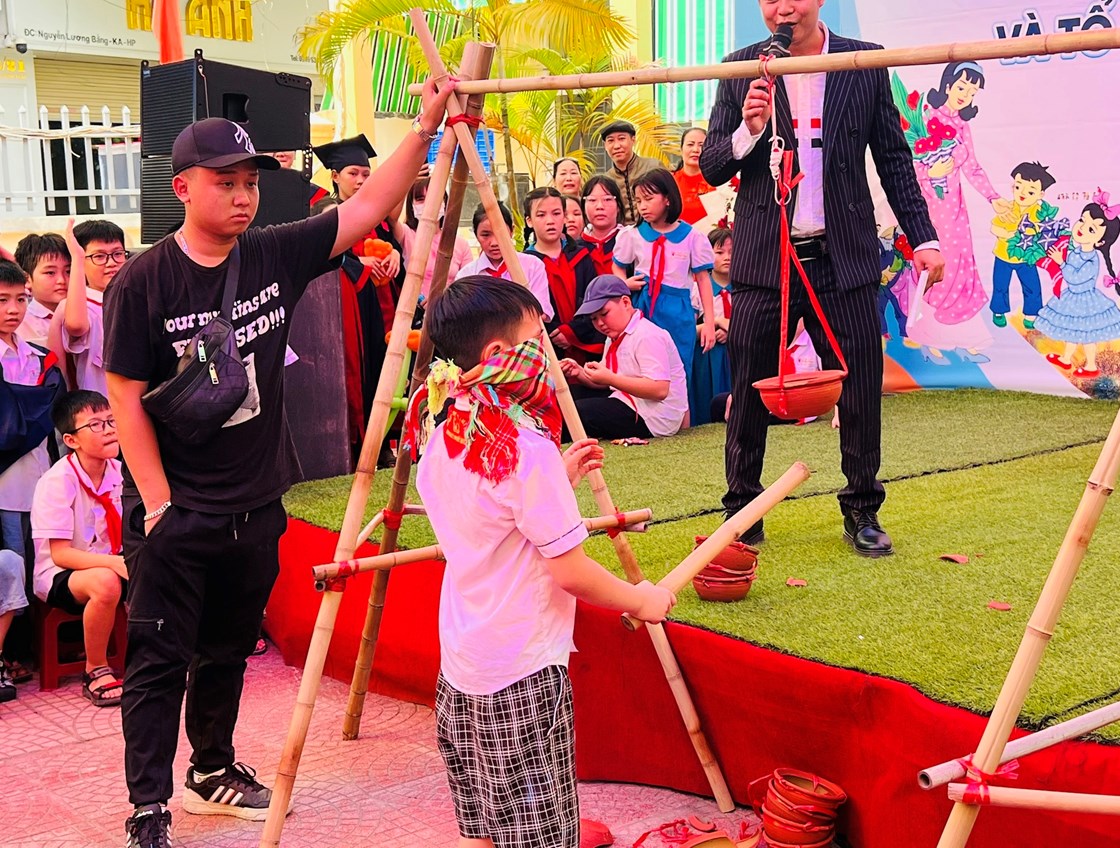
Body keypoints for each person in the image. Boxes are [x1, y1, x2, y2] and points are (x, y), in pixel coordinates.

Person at [103, 75, 455, 846]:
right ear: (182, 188)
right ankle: (147, 806)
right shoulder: (143, 282)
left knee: (227, 650)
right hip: (176, 512)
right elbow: (123, 396)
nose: (242, 197)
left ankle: (211, 771)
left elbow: (368, 205)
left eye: (250, 183)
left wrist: (427, 122)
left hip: (256, 504)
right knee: (159, 660)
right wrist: (158, 504)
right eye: (224, 183)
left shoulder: (273, 253)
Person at [410, 276, 676, 848]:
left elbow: (493, 514)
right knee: (541, 832)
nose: (547, 354)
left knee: (483, 823)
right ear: (499, 354)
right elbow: (571, 571)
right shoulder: (524, 449)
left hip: (464, 664)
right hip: (521, 668)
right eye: (537, 342)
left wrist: (559, 477)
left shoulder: (443, 426)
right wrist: (642, 599)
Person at [701, 0, 942, 556]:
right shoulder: (741, 67)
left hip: (844, 255)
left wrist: (924, 239)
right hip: (766, 259)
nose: (782, 9)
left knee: (859, 386)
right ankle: (742, 511)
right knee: (749, 386)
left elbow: (893, 159)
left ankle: (862, 508)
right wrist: (748, 129)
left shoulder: (863, 62)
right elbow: (712, 166)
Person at [311, 134, 408, 451]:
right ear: (335, 176)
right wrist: (357, 262)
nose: (361, 180)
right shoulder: (327, 213)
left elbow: (391, 245)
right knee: (359, 373)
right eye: (353, 173)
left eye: (366, 173)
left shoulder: (374, 214)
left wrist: (395, 255)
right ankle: (359, 444)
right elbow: (321, 258)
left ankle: (384, 442)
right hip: (350, 311)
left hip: (382, 309)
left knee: (385, 372)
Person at [906, 61, 1006, 365]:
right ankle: (928, 337)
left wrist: (993, 197)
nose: (965, 95)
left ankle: (963, 336)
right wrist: (930, 172)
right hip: (928, 207)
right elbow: (902, 166)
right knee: (935, 267)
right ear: (948, 84)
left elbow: (971, 167)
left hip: (955, 209)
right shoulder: (924, 118)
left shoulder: (962, 125)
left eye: (972, 92)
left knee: (962, 265)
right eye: (962, 87)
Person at [31, 389, 126, 707]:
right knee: (106, 581)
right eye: (96, 425)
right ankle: (95, 669)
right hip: (62, 573)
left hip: (113, 561)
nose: (109, 429)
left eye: (111, 420)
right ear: (71, 440)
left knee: (172, 562)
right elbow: (60, 554)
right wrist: (114, 564)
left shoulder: (120, 472)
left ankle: (161, 656)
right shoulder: (57, 481)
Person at [611, 168, 715, 424]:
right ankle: (645, 419)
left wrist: (710, 323)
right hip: (644, 306)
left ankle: (683, 423)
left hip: (678, 310)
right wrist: (625, 284)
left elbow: (703, 280)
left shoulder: (691, 236)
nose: (643, 207)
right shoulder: (633, 235)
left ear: (667, 198)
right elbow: (617, 266)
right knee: (646, 364)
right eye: (638, 201)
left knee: (680, 365)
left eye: (649, 199)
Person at [0, 259, 52, 702]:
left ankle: (34, 650)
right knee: (11, 564)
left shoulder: (38, 355)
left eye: (20, 299)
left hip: (40, 477)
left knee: (38, 562)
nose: (13, 309)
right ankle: (12, 652)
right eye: (2, 301)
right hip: (3, 485)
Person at [561, 276, 689, 440]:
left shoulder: (647, 335)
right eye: (594, 319)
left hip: (653, 417)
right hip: (629, 403)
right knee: (570, 398)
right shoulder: (614, 336)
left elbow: (659, 390)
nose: (600, 323)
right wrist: (578, 371)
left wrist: (611, 378)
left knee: (578, 411)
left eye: (604, 314)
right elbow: (605, 379)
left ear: (626, 303)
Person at [1036, 199, 1120, 378]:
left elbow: (1075, 278)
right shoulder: (1076, 251)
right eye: (1082, 220)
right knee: (1072, 331)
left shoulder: (1091, 259)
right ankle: (1066, 358)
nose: (1083, 228)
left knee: (1086, 335)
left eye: (1091, 229)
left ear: (1100, 242)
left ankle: (1091, 366)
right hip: (1072, 297)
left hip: (1085, 301)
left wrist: (1061, 262)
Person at [524, 186, 605, 363]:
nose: (550, 221)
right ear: (529, 221)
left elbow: (593, 299)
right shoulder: (525, 264)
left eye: (556, 213)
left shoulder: (582, 256)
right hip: (548, 350)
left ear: (564, 217)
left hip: (587, 344)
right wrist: (556, 333)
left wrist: (571, 331)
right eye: (541, 215)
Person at [48, 219, 129, 395]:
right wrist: (77, 258)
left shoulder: (136, 299)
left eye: (118, 254)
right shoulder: (78, 305)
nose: (111, 263)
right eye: (99, 256)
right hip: (98, 406)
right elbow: (76, 326)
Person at [456, 202, 555, 321]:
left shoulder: (532, 266)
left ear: (512, 231)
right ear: (476, 235)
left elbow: (542, 312)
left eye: (500, 233)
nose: (494, 243)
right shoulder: (466, 276)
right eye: (485, 235)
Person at [989, 161, 1056, 329]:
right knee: (1000, 285)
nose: (1023, 193)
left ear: (1040, 194)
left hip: (1026, 257)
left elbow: (1045, 231)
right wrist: (1006, 234)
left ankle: (1031, 314)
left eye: (1031, 191)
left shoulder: (1039, 213)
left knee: (1032, 286)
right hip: (1003, 254)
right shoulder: (1007, 208)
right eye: (1018, 187)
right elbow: (994, 227)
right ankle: (999, 311)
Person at [400, 176, 473, 302]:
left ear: (445, 203)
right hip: (412, 310)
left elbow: (469, 285)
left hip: (450, 308)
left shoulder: (460, 244)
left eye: (434, 198)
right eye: (420, 199)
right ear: (411, 205)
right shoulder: (406, 234)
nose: (428, 204)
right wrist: (406, 180)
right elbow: (391, 216)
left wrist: (442, 299)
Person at [690, 228, 734, 425]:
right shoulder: (696, 289)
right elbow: (687, 331)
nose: (727, 257)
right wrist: (714, 323)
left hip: (737, 355)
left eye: (732, 252)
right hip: (706, 358)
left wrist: (732, 331)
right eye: (719, 252)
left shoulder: (745, 287)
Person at [601, 120, 662, 225]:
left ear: (633, 140)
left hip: (655, 229)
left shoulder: (654, 167)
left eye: (621, 139)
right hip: (620, 233)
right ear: (605, 146)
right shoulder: (606, 180)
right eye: (610, 141)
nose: (616, 146)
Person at [15, 232, 69, 346]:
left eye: (68, 271)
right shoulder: (19, 324)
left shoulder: (89, 314)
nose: (61, 280)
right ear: (27, 279)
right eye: (50, 273)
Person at [580, 175, 627, 276]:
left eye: (607, 199)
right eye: (592, 200)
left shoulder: (630, 242)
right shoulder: (575, 249)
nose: (600, 206)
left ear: (618, 206)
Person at [672, 127, 715, 226]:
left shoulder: (719, 182)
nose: (696, 150)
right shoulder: (669, 181)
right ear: (681, 149)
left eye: (701, 145)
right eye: (690, 144)